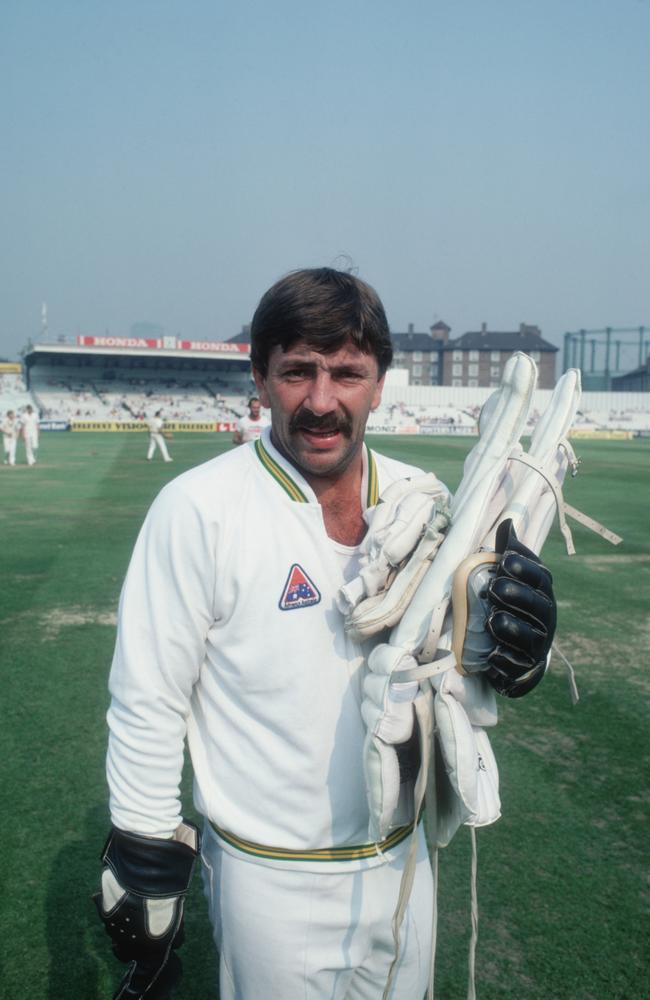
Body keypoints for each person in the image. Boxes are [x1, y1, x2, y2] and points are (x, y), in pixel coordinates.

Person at [96, 268, 557, 1000]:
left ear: (379, 384)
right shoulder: (197, 509)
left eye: (346, 374)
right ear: (259, 376)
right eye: (298, 371)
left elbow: (454, 670)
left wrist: (516, 655)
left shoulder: (428, 502)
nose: (320, 400)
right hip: (273, 877)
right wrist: (143, 846)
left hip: (407, 862)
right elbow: (148, 697)